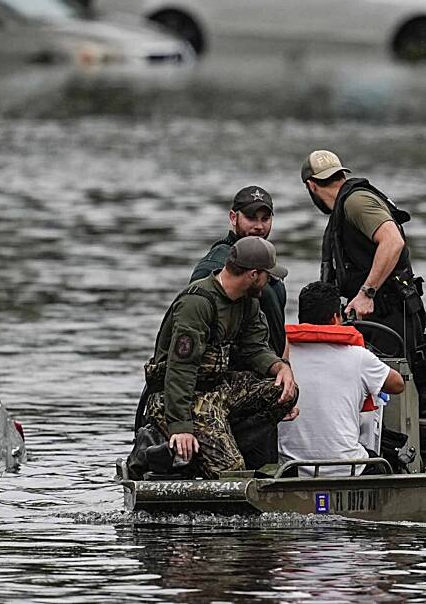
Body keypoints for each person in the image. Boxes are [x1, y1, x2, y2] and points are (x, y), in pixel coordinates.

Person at [140, 237, 298, 479]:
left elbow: (256, 348)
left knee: (284, 392)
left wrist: (280, 367)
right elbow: (180, 370)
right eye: (268, 275)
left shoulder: (248, 303)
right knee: (231, 472)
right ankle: (168, 453)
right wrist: (180, 427)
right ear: (253, 275)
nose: (270, 282)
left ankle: (216, 443)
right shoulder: (197, 303)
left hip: (217, 392)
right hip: (179, 399)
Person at [300, 149, 426, 359]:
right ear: (342, 175)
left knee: (392, 387)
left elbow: (393, 242)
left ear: (311, 186)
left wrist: (366, 293)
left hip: (392, 316)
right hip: (376, 317)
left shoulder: (356, 202)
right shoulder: (345, 207)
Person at [278, 281, 404, 477]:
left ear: (301, 318)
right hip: (348, 468)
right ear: (335, 318)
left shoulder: (280, 358)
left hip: (291, 471)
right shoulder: (359, 356)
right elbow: (398, 384)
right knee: (388, 461)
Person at [191, 185, 288, 360]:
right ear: (233, 217)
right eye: (251, 218)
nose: (259, 226)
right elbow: (193, 323)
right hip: (234, 372)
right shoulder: (213, 266)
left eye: (265, 219)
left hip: (270, 366)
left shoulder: (270, 267)